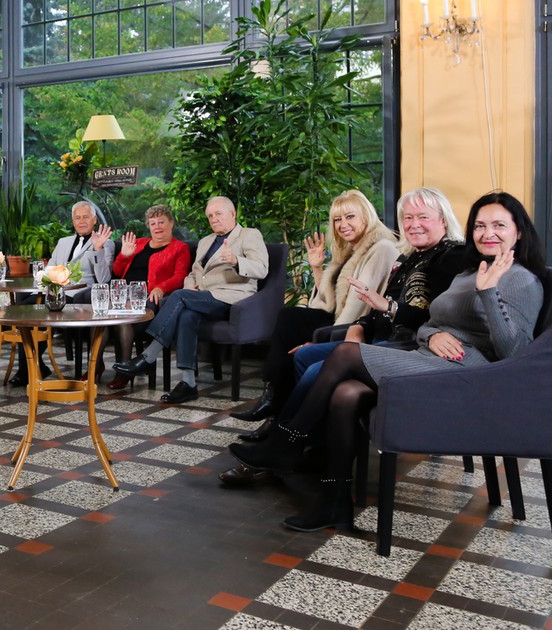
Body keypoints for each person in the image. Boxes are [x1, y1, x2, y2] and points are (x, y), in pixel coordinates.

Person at [230, 191, 546, 532]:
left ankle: (285, 443)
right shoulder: (470, 271)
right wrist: (432, 336)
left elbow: (514, 352)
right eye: (480, 226)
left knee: (345, 354)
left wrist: (489, 291)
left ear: (519, 231)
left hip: (467, 376)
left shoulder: (522, 279)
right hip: (431, 358)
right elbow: (430, 322)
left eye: (499, 225)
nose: (487, 233)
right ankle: (334, 503)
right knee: (347, 393)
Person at [220, 187, 465, 485]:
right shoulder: (410, 256)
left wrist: (384, 310)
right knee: (304, 355)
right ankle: (312, 446)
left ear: (443, 219)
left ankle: (282, 444)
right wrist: (360, 325)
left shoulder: (451, 256)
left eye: (423, 217)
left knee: (316, 367)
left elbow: (432, 315)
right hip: (378, 339)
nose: (414, 224)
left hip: (406, 349)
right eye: (408, 218)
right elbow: (372, 306)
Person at [231, 190, 398, 423]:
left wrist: (325, 340)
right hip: (338, 318)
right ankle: (274, 401)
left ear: (366, 216)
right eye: (337, 219)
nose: (342, 225)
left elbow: (357, 305)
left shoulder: (381, 248)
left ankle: (275, 406)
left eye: (350, 217)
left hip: (357, 327)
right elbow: (329, 303)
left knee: (291, 324)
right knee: (290, 317)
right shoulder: (349, 251)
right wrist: (317, 268)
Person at [113, 196, 269, 403]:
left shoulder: (249, 235)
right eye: (210, 216)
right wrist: (189, 287)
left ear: (233, 214)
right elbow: (193, 273)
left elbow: (261, 269)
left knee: (178, 296)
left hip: (233, 298)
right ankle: (188, 384)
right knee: (187, 316)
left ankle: (148, 356)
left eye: (218, 214)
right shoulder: (206, 241)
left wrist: (235, 260)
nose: (213, 219)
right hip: (204, 297)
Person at [9, 200, 115, 386]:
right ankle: (33, 365)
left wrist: (97, 249)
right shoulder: (63, 242)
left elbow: (104, 279)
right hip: (54, 292)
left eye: (86, 217)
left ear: (94, 220)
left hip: (80, 296)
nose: (81, 221)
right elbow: (49, 270)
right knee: (24, 308)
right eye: (77, 218)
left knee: (47, 310)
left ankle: (27, 370)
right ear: (73, 221)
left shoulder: (106, 243)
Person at [107, 205, 190, 390]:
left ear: (171, 223)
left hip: (148, 299)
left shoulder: (180, 248)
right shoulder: (139, 243)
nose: (157, 227)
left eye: (161, 222)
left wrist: (161, 288)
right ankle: (95, 367)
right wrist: (124, 255)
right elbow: (118, 271)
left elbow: (180, 276)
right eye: (153, 223)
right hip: (122, 295)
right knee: (100, 318)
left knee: (123, 321)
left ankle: (125, 371)